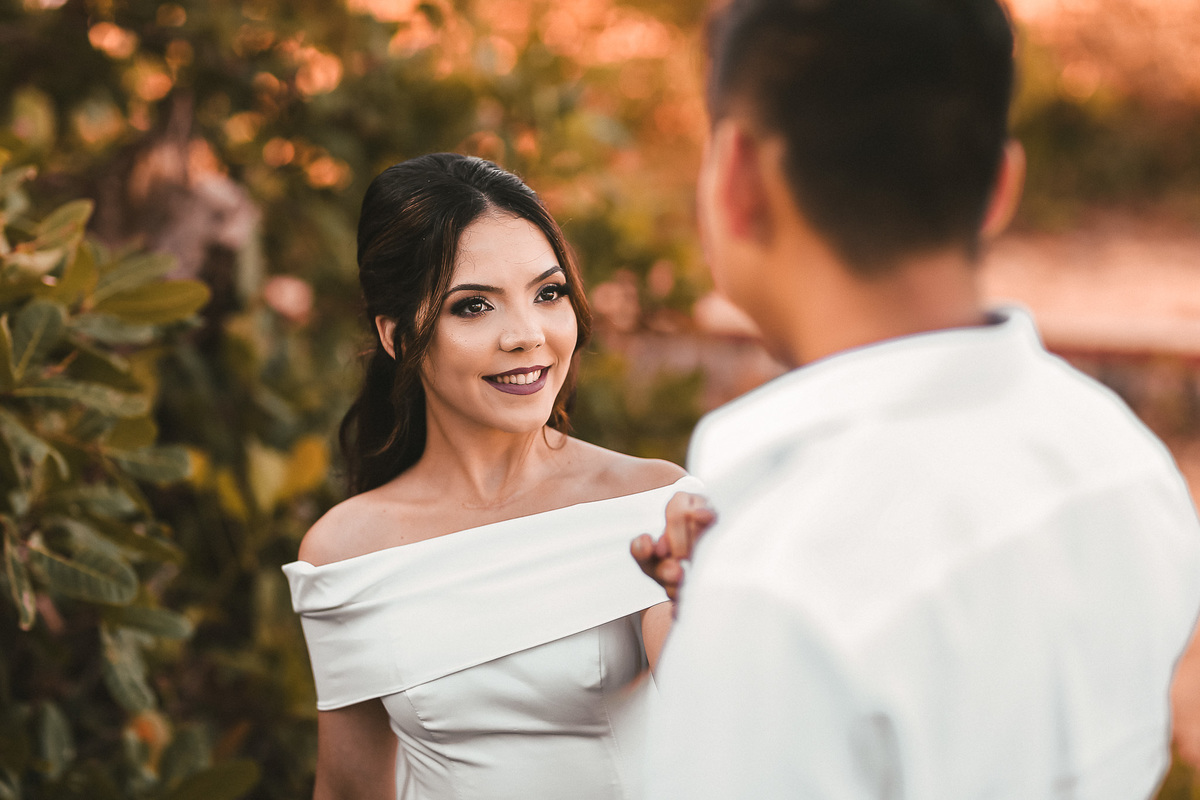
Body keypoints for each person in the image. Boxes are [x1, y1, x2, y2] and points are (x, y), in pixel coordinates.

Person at [634, 0, 1200, 797]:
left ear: (737, 175)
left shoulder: (781, 596)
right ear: (1001, 184)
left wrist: (733, 637)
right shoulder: (1126, 467)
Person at [282, 153, 697, 800]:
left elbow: (724, 724)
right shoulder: (345, 549)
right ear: (396, 335)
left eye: (549, 293)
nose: (527, 335)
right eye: (474, 307)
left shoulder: (646, 504)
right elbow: (347, 788)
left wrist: (707, 607)